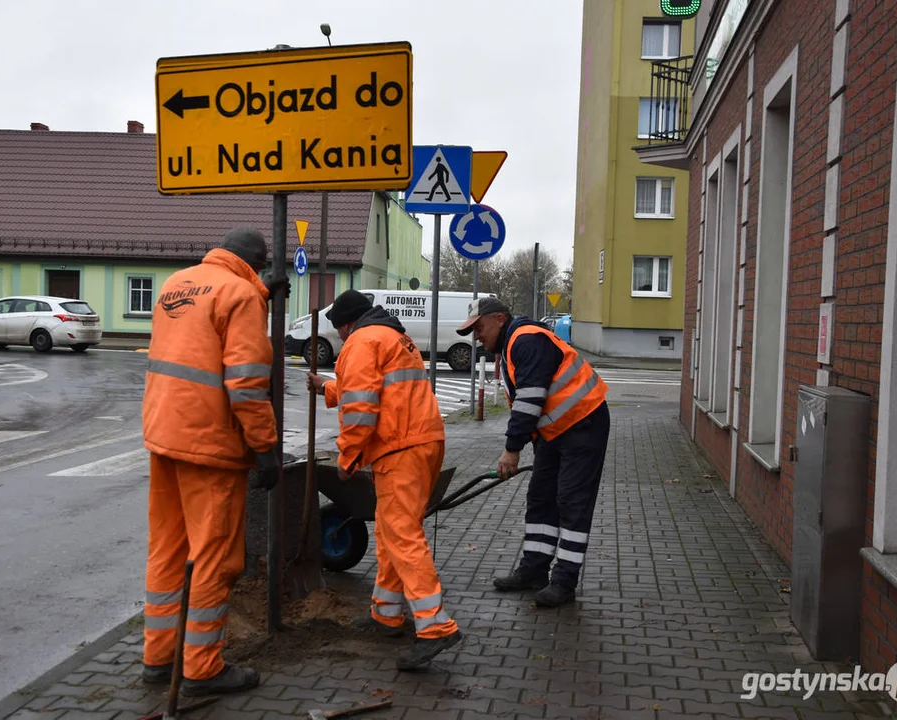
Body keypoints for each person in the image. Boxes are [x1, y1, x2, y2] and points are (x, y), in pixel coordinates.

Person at [141, 227, 286, 696]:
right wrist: (265, 449)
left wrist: (261, 290)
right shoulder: (242, 295)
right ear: (256, 263)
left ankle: (159, 658)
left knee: (167, 551)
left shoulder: (176, 283)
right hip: (212, 445)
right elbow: (246, 383)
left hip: (164, 435)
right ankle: (202, 667)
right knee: (215, 558)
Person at [306, 289, 463, 670]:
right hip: (423, 441)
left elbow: (361, 406)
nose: (340, 338)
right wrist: (326, 387)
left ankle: (435, 626)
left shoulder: (361, 342)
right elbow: (379, 389)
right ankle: (386, 613)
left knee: (403, 536)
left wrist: (348, 457)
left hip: (400, 448)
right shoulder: (393, 337)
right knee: (391, 533)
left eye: (339, 330)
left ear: (346, 324)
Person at [456, 297, 610, 607]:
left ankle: (564, 582)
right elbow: (537, 405)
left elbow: (529, 400)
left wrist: (512, 449)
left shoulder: (525, 339)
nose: (477, 336)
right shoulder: (514, 343)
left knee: (571, 501)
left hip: (584, 423)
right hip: (557, 432)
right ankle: (534, 570)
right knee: (541, 496)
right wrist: (537, 446)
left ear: (499, 319)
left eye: (479, 327)